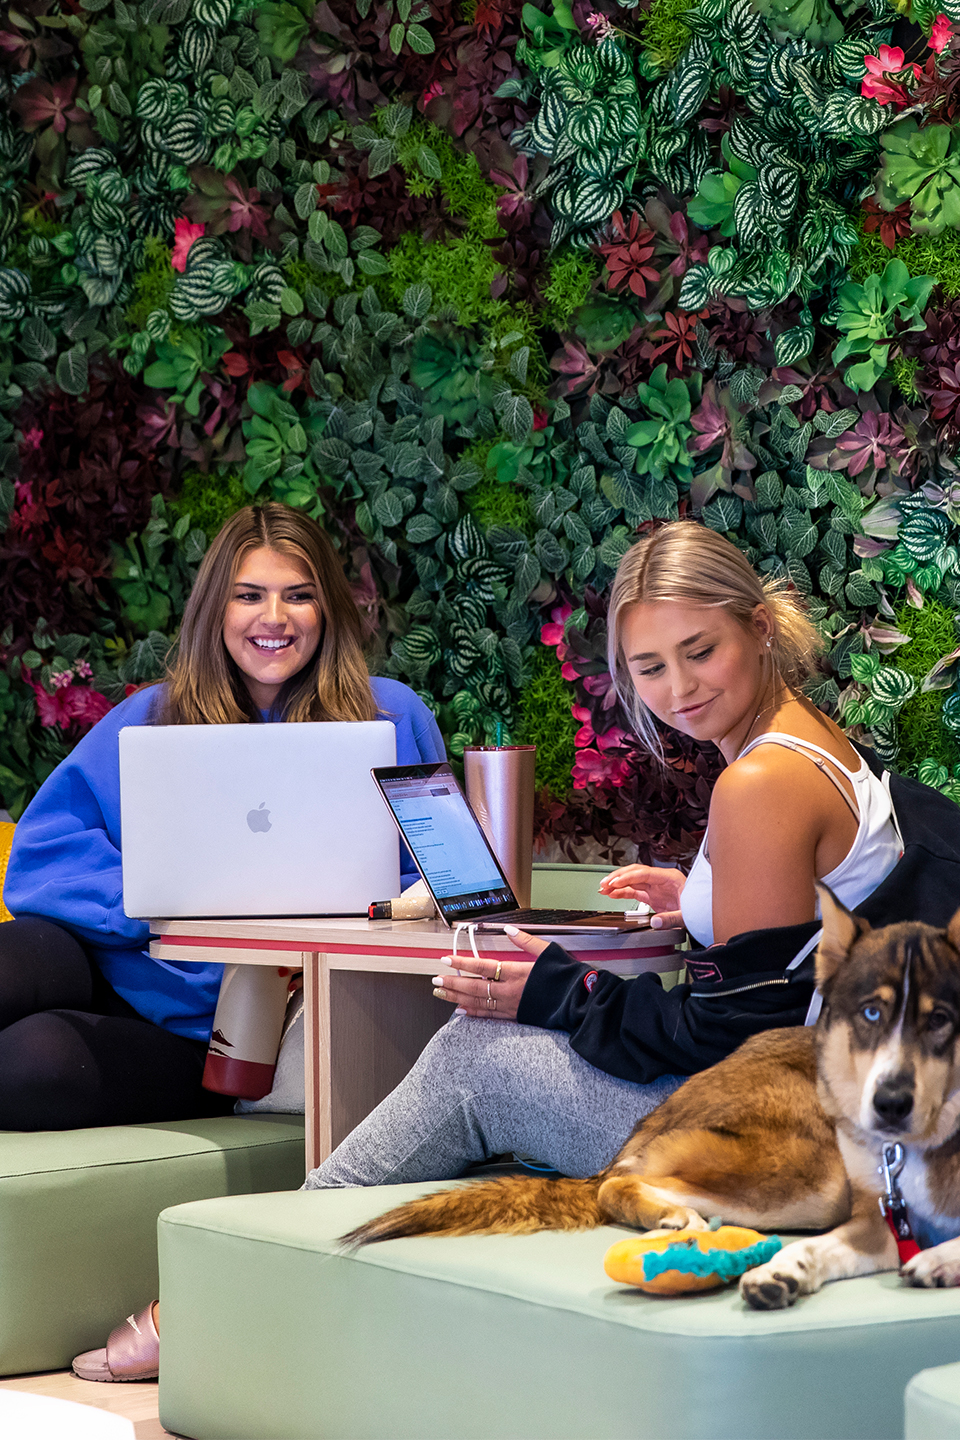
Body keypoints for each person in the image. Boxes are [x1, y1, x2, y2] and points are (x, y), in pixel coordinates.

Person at [300, 520, 903, 1193]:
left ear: (759, 626)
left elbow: (734, 1041)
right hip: (819, 1102)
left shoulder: (761, 783)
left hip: (791, 1137)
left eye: (700, 651)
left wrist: (562, 991)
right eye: (650, 668)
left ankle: (261, 1258)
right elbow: (799, 940)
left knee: (472, 1058)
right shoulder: (809, 740)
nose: (679, 688)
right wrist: (701, 897)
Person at [1, 502, 444, 1136]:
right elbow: (43, 857)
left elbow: (437, 879)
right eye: (248, 596)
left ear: (327, 610)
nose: (273, 618)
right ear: (217, 609)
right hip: (121, 962)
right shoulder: (155, 715)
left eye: (298, 595)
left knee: (33, 1062)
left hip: (234, 1031)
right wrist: (152, 901)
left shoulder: (391, 716)